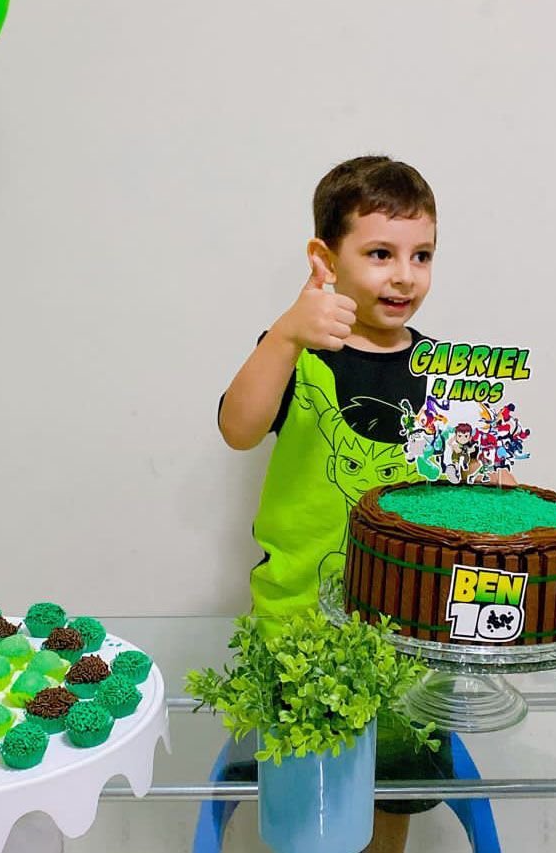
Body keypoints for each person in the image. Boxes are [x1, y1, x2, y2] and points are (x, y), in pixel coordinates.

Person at [219, 155, 470, 852]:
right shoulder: (295, 353)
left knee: (394, 792)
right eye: (381, 253)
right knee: (311, 797)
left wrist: (487, 482)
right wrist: (285, 333)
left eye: (422, 255)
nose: (405, 275)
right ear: (325, 259)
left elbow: (462, 497)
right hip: (300, 624)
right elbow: (238, 428)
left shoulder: (444, 371)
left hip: (412, 633)